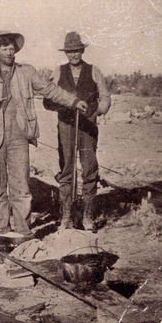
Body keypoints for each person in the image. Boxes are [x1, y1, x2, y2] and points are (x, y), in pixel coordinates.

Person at [0, 31, 88, 241]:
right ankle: (1, 231)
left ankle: (23, 232)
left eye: (12, 48)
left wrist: (73, 101)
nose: (9, 52)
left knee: (21, 187)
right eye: (4, 49)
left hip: (19, 137)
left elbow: (50, 90)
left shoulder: (27, 72)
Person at [44, 32, 111, 231]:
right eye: (69, 51)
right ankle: (67, 216)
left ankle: (87, 216)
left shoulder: (93, 70)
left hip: (88, 125)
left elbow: (106, 97)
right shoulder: (58, 71)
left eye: (76, 51)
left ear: (82, 51)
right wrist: (61, 107)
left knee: (89, 168)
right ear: (66, 52)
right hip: (65, 124)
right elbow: (48, 98)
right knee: (66, 168)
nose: (73, 55)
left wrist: (97, 111)